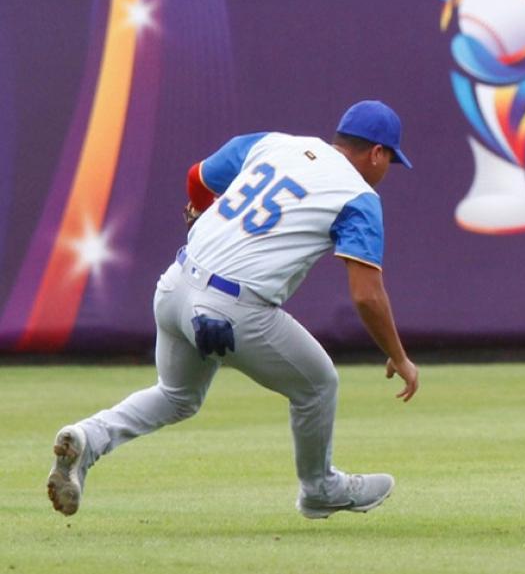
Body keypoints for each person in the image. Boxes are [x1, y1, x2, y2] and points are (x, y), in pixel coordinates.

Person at [46, 100, 420, 519]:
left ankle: (87, 438)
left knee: (177, 396)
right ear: (376, 153)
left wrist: (203, 212)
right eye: (390, 159)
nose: (387, 171)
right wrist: (399, 355)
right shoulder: (359, 196)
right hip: (229, 310)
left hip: (175, 285)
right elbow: (366, 295)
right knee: (318, 385)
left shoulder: (276, 144)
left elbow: (198, 176)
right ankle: (320, 488)